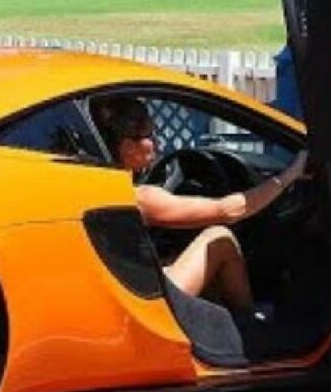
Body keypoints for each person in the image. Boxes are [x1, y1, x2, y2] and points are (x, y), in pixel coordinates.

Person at [94, 95, 308, 314]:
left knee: (180, 257)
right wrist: (289, 175)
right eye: (149, 135)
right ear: (128, 146)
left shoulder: (96, 184)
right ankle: (251, 323)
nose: (156, 141)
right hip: (146, 303)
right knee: (219, 238)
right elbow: (227, 210)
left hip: (121, 289)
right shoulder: (140, 197)